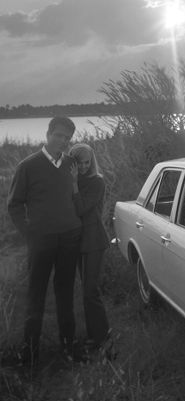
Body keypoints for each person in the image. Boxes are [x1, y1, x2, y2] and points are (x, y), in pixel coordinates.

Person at [7, 116, 82, 365]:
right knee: (36, 294)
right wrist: (30, 234)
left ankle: (68, 348)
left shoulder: (71, 164)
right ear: (48, 133)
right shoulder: (28, 166)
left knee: (65, 293)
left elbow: (81, 191)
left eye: (67, 138)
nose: (62, 141)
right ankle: (30, 354)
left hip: (69, 239)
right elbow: (14, 205)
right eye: (58, 135)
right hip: (41, 241)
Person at [68, 143, 111, 352]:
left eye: (87, 162)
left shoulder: (97, 182)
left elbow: (82, 208)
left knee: (90, 291)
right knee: (86, 289)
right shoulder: (69, 181)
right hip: (78, 241)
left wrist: (74, 185)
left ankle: (103, 337)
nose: (84, 166)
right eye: (79, 163)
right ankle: (94, 335)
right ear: (73, 162)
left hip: (94, 241)